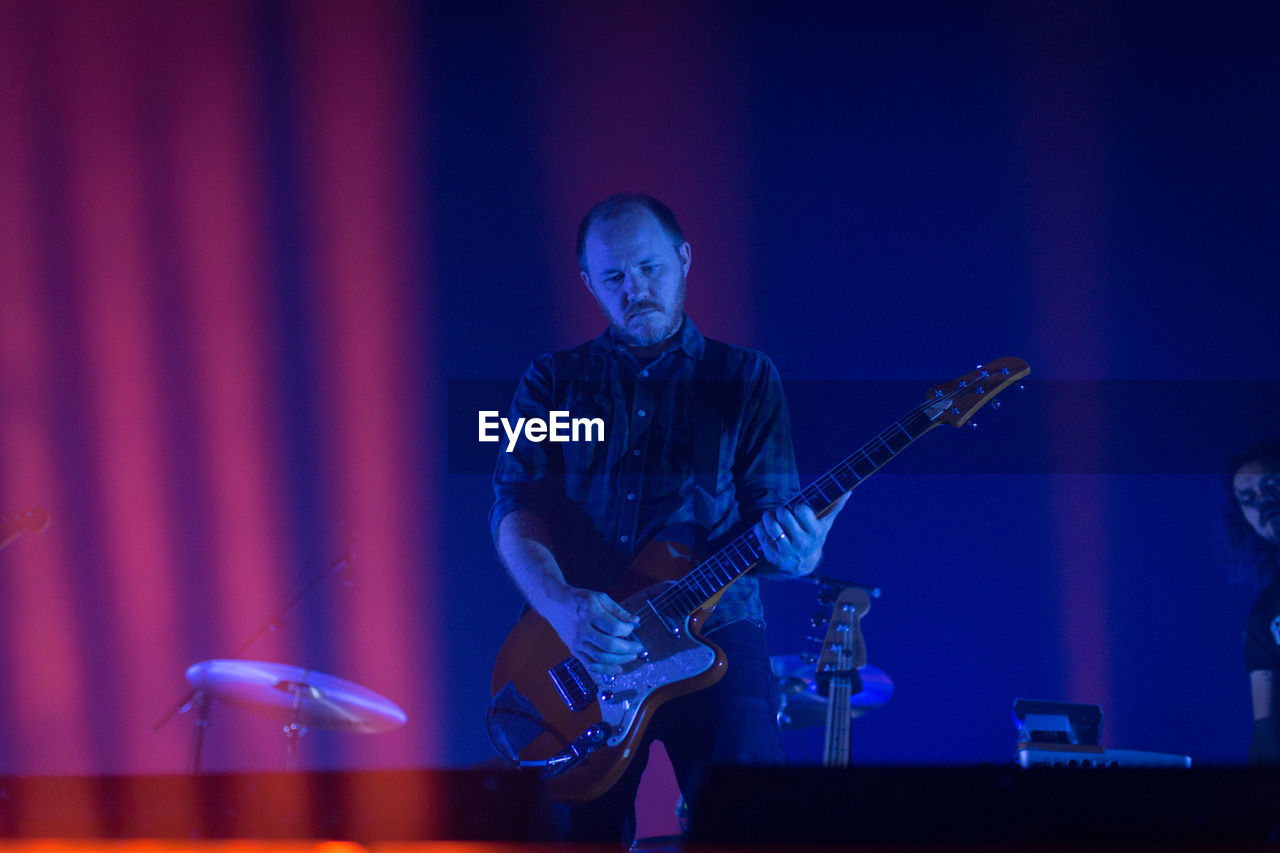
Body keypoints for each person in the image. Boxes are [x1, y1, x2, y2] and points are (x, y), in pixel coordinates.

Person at [489, 193, 848, 843]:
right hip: (583, 644)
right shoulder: (551, 382)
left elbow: (777, 526)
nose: (637, 289)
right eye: (615, 277)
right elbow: (516, 508)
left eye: (650, 268)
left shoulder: (743, 378)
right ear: (589, 285)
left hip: (717, 632)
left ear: (684, 259)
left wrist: (800, 555)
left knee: (757, 828)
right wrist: (565, 607)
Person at [1225, 439, 1280, 763]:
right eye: (1247, 498)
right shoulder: (1264, 615)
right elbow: (1266, 731)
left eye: (1272, 484)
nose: (1264, 501)